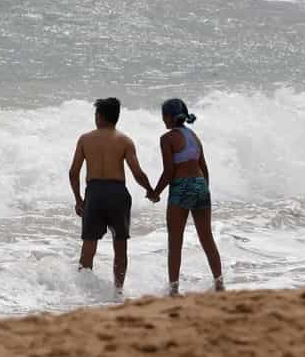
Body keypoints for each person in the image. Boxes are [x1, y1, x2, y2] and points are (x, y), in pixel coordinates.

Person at [69, 97, 154, 293]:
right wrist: (150, 190)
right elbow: (137, 173)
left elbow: (73, 172)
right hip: (117, 193)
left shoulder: (85, 139)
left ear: (98, 116)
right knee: (120, 245)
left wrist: (78, 199)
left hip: (95, 193)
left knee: (89, 243)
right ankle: (118, 291)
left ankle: (83, 291)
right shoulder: (124, 141)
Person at [148, 98, 223, 296]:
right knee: (207, 237)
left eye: (164, 116)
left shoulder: (167, 138)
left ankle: (173, 289)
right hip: (200, 185)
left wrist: (155, 192)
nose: (163, 120)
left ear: (169, 117)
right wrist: (204, 190)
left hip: (181, 187)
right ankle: (219, 282)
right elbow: (204, 167)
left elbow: (169, 171)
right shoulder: (194, 136)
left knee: (175, 240)